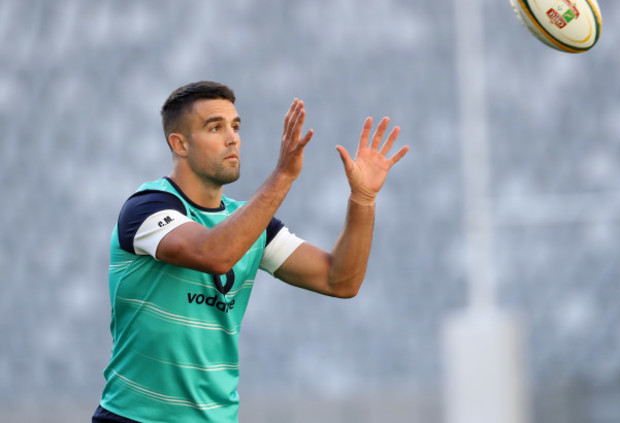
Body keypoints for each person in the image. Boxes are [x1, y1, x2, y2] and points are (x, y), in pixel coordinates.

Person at [92, 80, 409, 423]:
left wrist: (362, 200)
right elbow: (215, 254)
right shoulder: (147, 208)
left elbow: (340, 280)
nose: (233, 138)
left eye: (236, 126)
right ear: (179, 144)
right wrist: (284, 175)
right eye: (215, 128)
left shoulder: (251, 223)